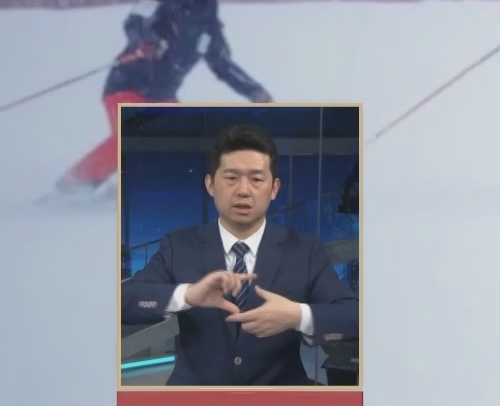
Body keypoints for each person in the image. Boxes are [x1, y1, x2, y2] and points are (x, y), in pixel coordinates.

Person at [121, 123, 358, 387]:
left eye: (256, 179)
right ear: (210, 184)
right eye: (231, 178)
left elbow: (352, 316)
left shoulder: (304, 249)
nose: (243, 190)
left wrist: (297, 316)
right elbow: (127, 301)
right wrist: (188, 295)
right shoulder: (179, 245)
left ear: (274, 188)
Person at [53, 0, 272, 200]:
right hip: (129, 84)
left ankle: (162, 192)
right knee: (133, 138)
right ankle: (73, 185)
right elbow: (135, 22)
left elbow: (221, 62)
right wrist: (148, 41)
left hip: (162, 94)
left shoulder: (207, 17)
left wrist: (254, 91)